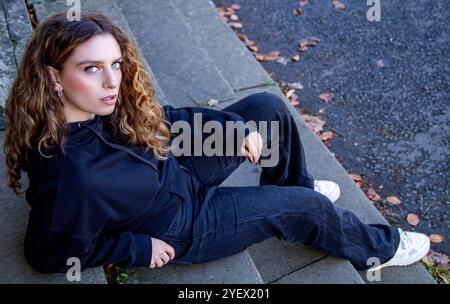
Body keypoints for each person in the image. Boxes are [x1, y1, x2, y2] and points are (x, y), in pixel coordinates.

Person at [3, 12, 429, 275]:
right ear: (55, 77)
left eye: (114, 64)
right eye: (92, 68)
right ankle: (378, 250)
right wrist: (134, 248)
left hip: (175, 171)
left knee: (266, 108)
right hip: (184, 224)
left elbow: (165, 120)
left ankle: (289, 184)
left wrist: (231, 128)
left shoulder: (97, 103)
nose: (113, 80)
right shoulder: (76, 178)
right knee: (309, 209)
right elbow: (47, 256)